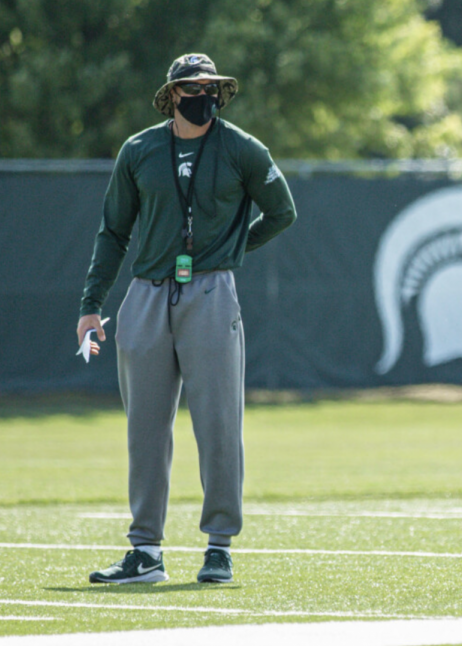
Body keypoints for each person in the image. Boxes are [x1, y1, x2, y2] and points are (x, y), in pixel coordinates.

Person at [77, 53, 296, 584]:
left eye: (212, 87)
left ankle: (218, 546)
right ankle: (145, 551)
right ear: (173, 94)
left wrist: (231, 248)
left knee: (219, 422)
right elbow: (113, 233)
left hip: (212, 292)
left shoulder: (242, 147)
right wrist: (90, 305)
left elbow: (282, 210)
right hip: (146, 294)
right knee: (145, 428)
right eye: (195, 88)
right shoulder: (139, 150)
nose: (206, 96)